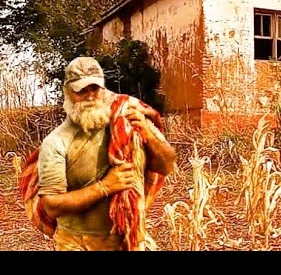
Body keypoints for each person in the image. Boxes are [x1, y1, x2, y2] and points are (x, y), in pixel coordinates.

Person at [36, 56, 176, 251]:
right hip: (76, 243)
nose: (90, 96)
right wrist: (105, 186)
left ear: (103, 88)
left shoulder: (128, 119)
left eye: (95, 88)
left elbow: (166, 165)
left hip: (127, 238)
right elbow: (51, 206)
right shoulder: (57, 141)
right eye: (81, 91)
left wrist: (148, 134)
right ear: (68, 92)